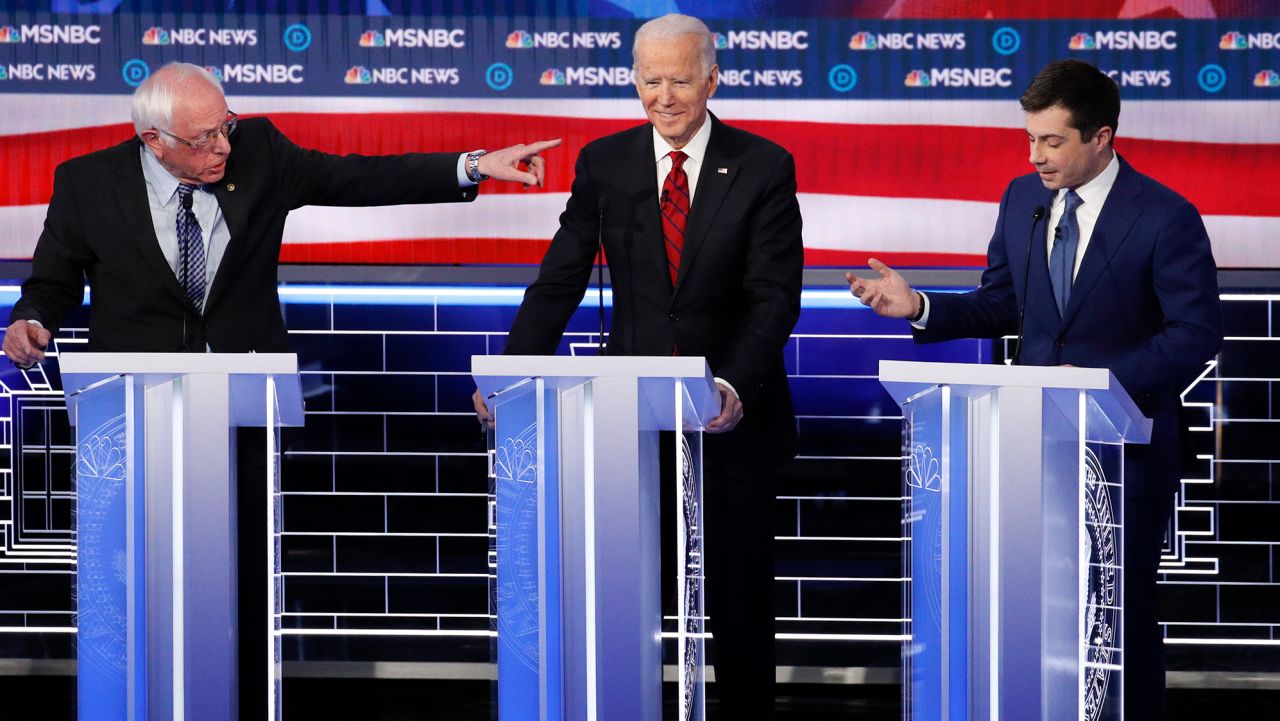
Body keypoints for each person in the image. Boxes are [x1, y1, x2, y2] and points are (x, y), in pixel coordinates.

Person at [2, 61, 559, 721]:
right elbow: (54, 278)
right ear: (155, 140)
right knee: (130, 579)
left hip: (241, 409)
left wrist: (471, 165)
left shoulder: (261, 152)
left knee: (237, 577)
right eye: (204, 139)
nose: (223, 147)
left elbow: (358, 178)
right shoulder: (89, 182)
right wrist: (32, 318)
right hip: (127, 418)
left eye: (226, 128)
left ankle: (236, 702)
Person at [848, 59, 1222, 719]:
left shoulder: (1166, 216)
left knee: (1115, 612)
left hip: (1123, 453)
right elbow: (1002, 305)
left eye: (1052, 141)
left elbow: (1195, 334)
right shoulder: (1023, 198)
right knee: (1029, 606)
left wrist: (1102, 385)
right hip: (1028, 441)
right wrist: (919, 307)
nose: (1036, 156)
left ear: (1101, 137)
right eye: (1030, 140)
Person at [473, 13, 802, 718]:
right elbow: (561, 277)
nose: (664, 96)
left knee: (740, 605)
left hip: (732, 421)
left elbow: (774, 297)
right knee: (627, 599)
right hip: (630, 425)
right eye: (650, 80)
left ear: (712, 79)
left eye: (680, 80)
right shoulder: (606, 163)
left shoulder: (765, 165)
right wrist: (511, 369)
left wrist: (732, 382)